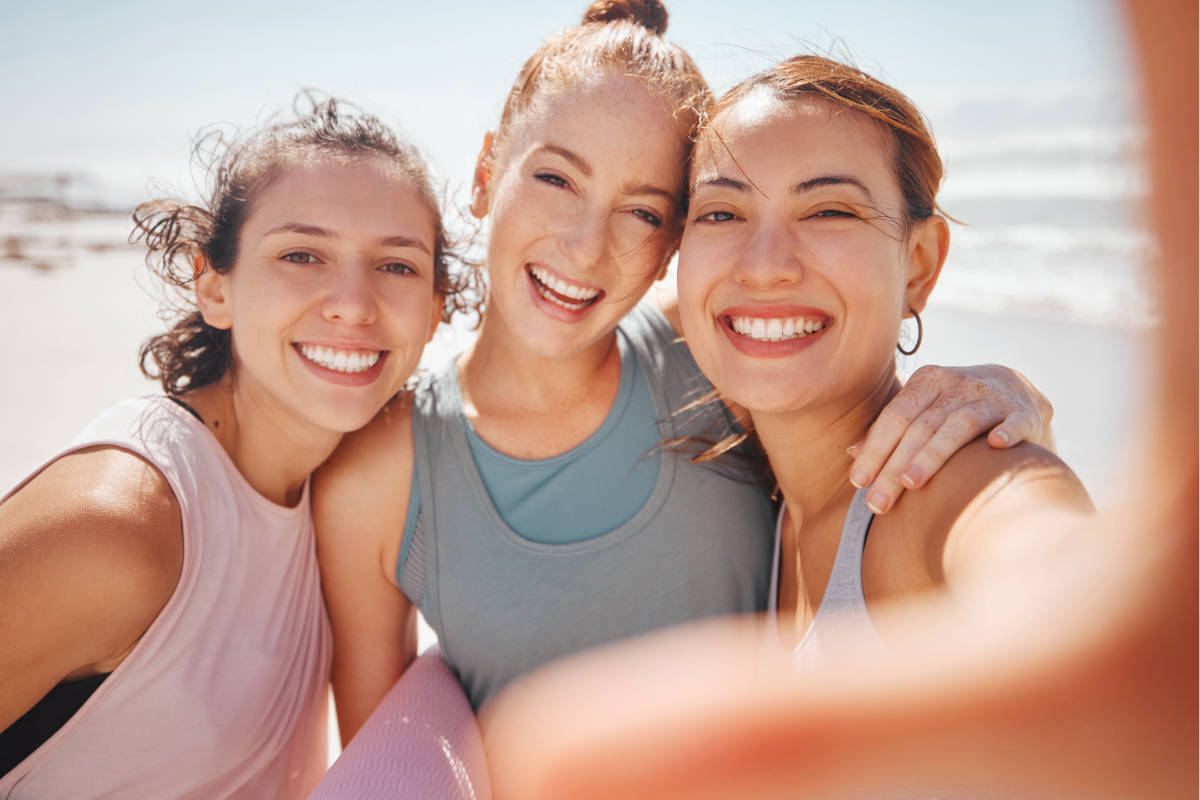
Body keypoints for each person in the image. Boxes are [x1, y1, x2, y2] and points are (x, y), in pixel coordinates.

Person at [478, 4, 1197, 795]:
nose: (766, 264)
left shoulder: (950, 487)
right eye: (722, 212)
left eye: (829, 211)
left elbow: (1042, 557)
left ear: (919, 263)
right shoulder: (763, 464)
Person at [314, 0, 1055, 742]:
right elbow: (386, 762)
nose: (583, 246)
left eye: (642, 212)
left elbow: (1014, 546)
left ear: (672, 244)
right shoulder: (375, 477)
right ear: (485, 174)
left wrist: (1005, 396)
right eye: (556, 179)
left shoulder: (711, 359)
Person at [0, 97, 461, 798]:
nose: (354, 304)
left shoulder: (356, 492)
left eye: (396, 266)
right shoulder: (122, 522)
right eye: (301, 255)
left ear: (435, 311)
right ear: (214, 286)